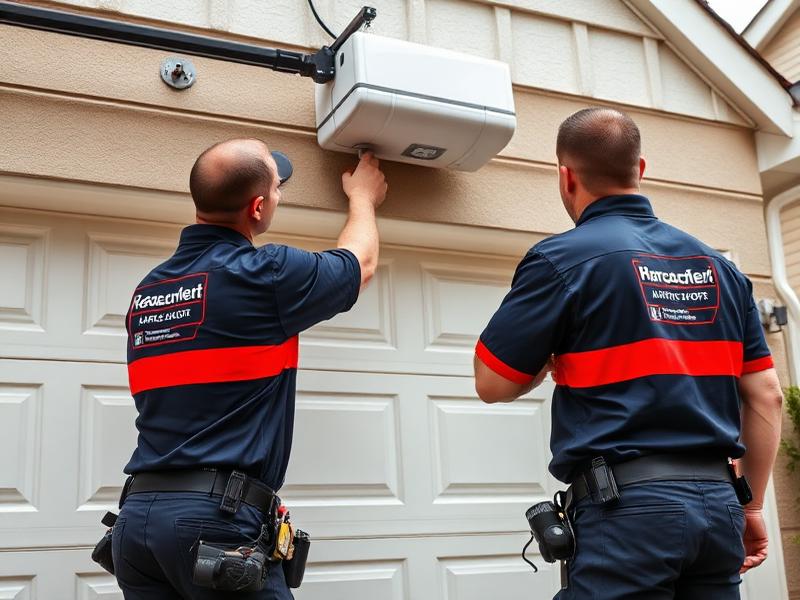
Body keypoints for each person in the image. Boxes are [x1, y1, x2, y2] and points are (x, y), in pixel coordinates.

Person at [474, 108, 783, 599]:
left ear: (566, 176)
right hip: (720, 506)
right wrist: (749, 508)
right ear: (640, 170)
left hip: (628, 511)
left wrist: (549, 360)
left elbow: (493, 382)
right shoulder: (721, 270)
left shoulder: (561, 260)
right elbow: (766, 396)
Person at [113, 138, 387, 599]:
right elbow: (360, 262)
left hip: (138, 523)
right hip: (214, 527)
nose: (278, 196)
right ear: (258, 207)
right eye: (278, 189)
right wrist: (363, 197)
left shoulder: (150, 291)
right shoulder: (265, 273)